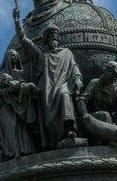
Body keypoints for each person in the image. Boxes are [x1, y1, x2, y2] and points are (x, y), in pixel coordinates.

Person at [15, 11, 82, 149]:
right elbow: (24, 41)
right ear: (46, 39)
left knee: (64, 94)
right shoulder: (41, 54)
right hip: (46, 89)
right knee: (49, 114)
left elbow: (74, 68)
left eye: (56, 36)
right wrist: (17, 22)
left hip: (62, 84)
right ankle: (53, 140)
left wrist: (78, 79)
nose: (54, 38)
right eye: (51, 36)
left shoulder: (66, 53)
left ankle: (69, 128)